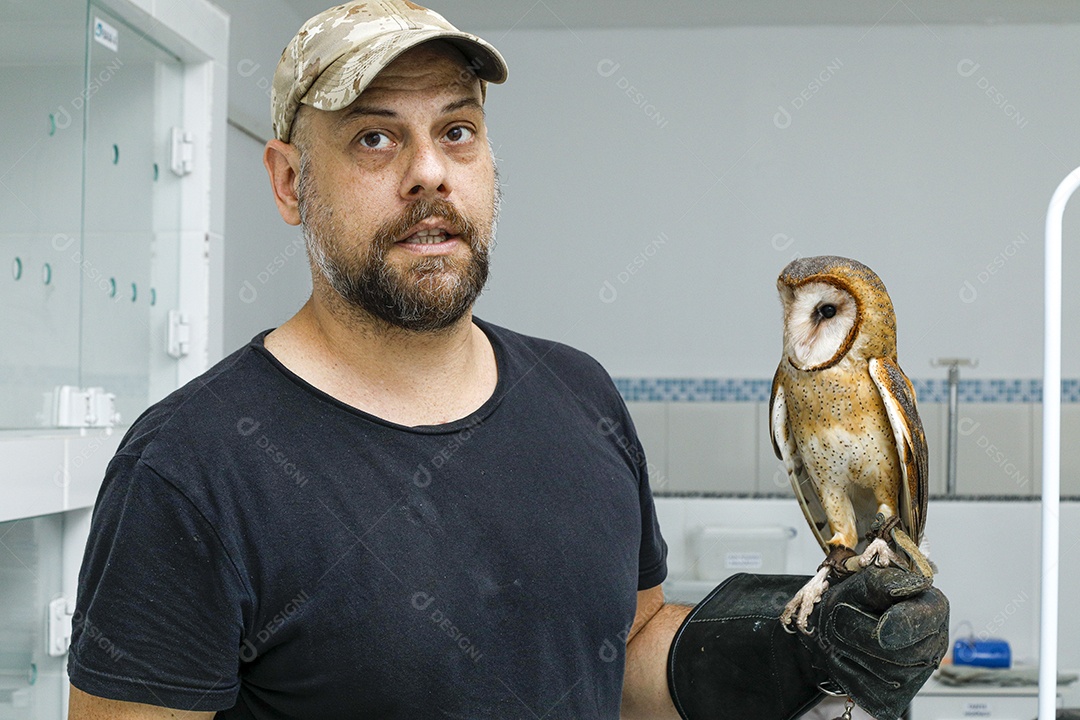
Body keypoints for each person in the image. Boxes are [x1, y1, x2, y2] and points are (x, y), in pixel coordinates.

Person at [67, 2, 949, 719]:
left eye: (457, 131)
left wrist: (797, 648)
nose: (429, 174)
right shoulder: (189, 467)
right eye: (375, 139)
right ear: (290, 182)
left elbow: (627, 652)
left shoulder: (580, 395)